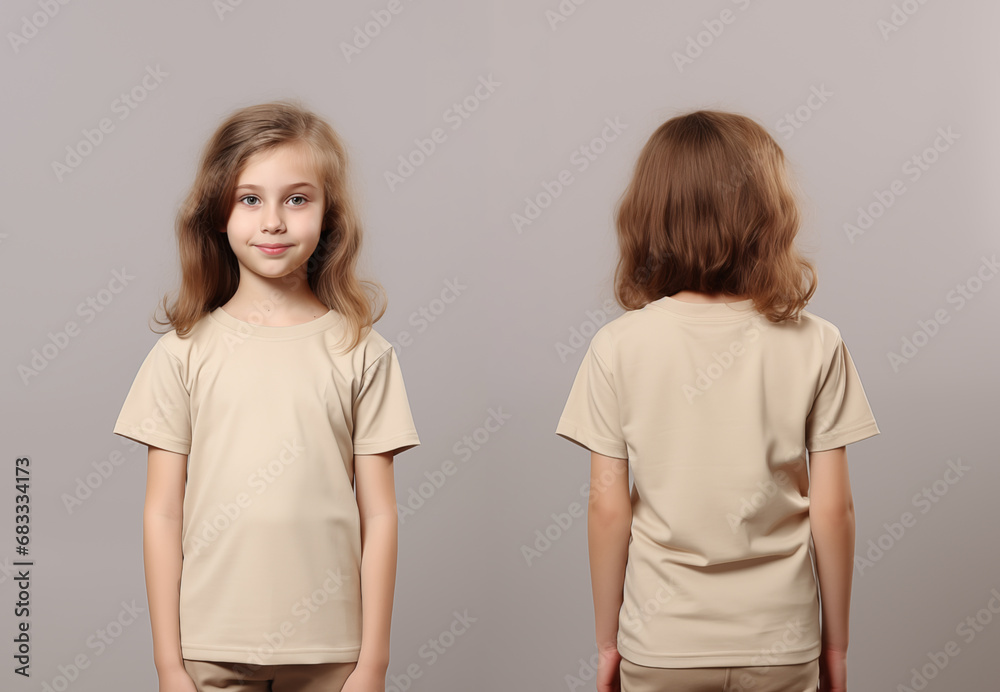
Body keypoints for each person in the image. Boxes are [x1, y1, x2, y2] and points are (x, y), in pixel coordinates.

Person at [555, 110, 879, 692]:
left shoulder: (617, 347)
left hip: (662, 643)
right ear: (769, 213)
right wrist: (836, 647)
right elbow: (833, 511)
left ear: (649, 217)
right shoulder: (817, 343)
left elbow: (608, 510)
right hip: (781, 645)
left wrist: (609, 643)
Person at [112, 100, 420, 692]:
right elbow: (162, 512)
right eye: (250, 199)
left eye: (297, 199)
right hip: (209, 649)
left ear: (329, 216)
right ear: (217, 212)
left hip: (334, 652)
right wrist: (169, 666)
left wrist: (372, 664)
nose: (273, 222)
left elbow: (379, 514)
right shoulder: (183, 354)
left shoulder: (362, 352)